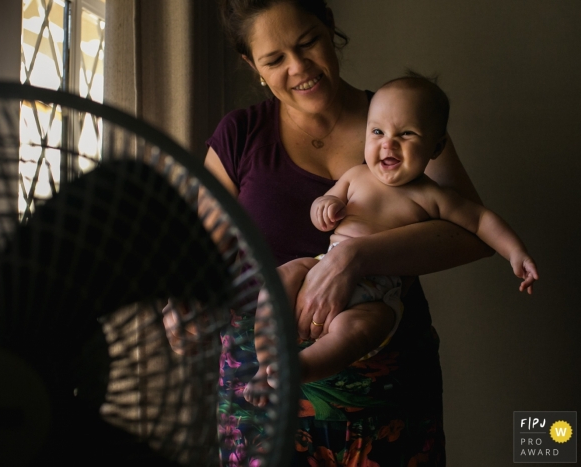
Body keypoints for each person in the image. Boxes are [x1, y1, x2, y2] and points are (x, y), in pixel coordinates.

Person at [207, 0, 495, 465]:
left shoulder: (402, 121)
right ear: (252, 66)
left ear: (330, 29)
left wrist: (355, 257)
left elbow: (473, 232)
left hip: (384, 392)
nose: (299, 68)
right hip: (263, 396)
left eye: (308, 43)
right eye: (275, 59)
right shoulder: (238, 135)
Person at [245, 75, 538, 408]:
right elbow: (322, 205)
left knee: (360, 330)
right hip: (323, 267)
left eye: (407, 134)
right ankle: (266, 364)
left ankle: (297, 370)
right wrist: (325, 207)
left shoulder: (433, 196)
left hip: (378, 292)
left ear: (436, 147)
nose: (388, 144)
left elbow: (481, 221)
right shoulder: (356, 175)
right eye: (377, 132)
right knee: (282, 277)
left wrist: (516, 253)